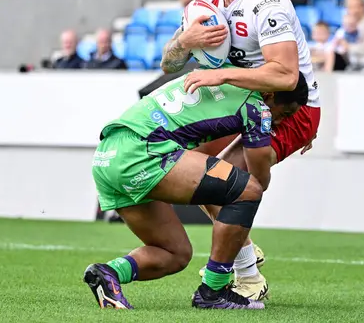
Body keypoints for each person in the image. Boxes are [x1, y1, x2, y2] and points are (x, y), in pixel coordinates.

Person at [160, 0, 321, 301]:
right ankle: (245, 253)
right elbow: (169, 63)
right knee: (190, 167)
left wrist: (221, 76)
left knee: (222, 182)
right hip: (243, 104)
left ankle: (247, 276)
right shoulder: (206, 4)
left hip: (288, 108)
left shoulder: (268, 2)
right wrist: (184, 41)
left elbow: (284, 75)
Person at [83, 70, 309, 310]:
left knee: (175, 253)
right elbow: (259, 175)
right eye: (285, 113)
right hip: (143, 152)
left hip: (107, 156)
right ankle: (213, 291)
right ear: (270, 94)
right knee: (249, 190)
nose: (281, 121)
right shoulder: (257, 106)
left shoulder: (221, 75)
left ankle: (108, 274)